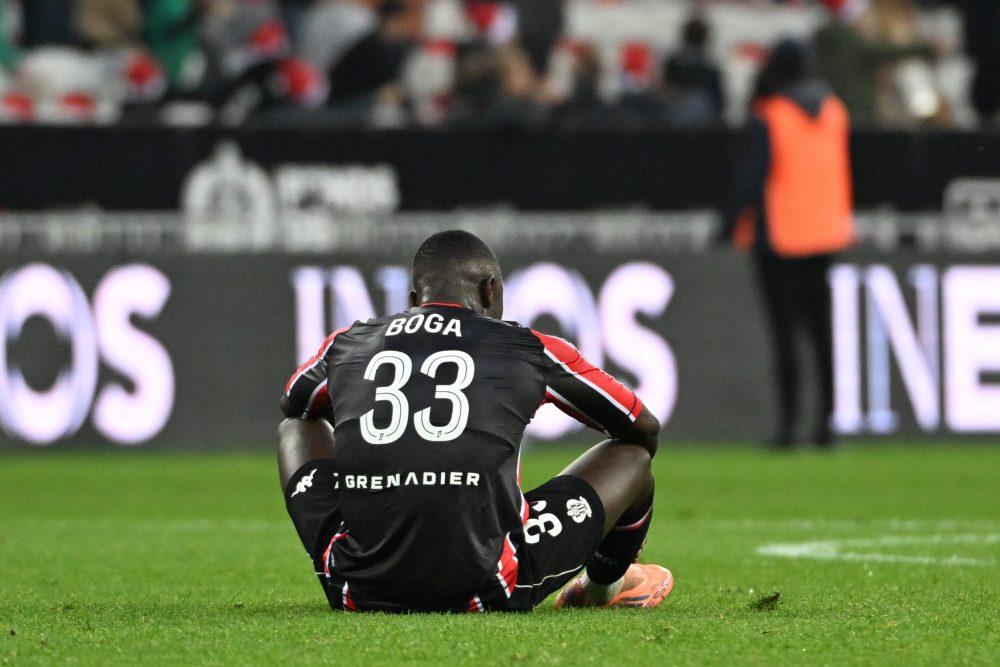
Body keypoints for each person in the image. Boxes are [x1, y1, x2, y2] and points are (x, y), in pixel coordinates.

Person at [277, 230, 673, 612]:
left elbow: (294, 403)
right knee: (634, 458)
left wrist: (364, 431)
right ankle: (602, 586)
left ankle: (359, 554)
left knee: (295, 427)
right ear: (490, 291)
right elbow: (642, 427)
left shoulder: (347, 343)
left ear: (414, 299)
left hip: (357, 583)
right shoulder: (528, 348)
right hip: (484, 585)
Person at [723, 40, 854, 448]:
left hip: (780, 238)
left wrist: (730, 222)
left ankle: (789, 427)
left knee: (786, 338)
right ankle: (827, 425)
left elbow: (752, 177)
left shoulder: (773, 114)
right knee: (823, 335)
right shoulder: (834, 111)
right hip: (825, 234)